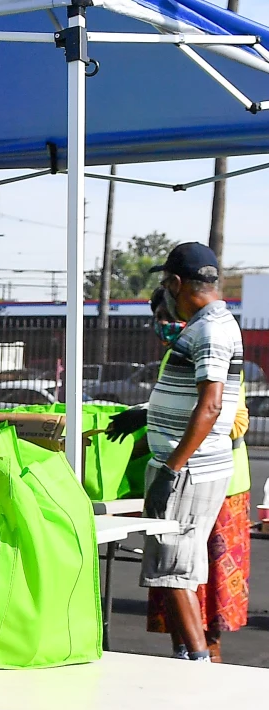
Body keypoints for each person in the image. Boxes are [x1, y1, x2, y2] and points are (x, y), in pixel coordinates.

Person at [110, 242, 242, 663]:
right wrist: (145, 413)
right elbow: (193, 397)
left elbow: (212, 405)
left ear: (176, 283)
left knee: (173, 569)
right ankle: (190, 655)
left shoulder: (209, 331)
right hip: (192, 465)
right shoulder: (208, 325)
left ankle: (197, 662)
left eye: (166, 283)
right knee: (178, 567)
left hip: (190, 469)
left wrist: (171, 467)